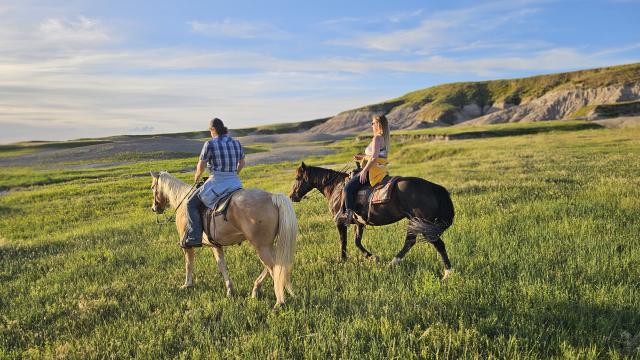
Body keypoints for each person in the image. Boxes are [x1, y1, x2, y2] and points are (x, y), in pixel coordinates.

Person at [180, 118, 245, 248]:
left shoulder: (209, 144)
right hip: (235, 183)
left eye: (210, 130)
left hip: (217, 182)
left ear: (213, 130)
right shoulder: (236, 143)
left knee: (190, 204)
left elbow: (201, 166)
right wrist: (233, 174)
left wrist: (197, 177)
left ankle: (194, 237)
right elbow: (242, 163)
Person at [335, 114, 390, 224]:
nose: (371, 125)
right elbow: (378, 156)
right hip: (380, 171)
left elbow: (374, 158)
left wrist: (364, 171)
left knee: (347, 188)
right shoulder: (383, 138)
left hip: (371, 171)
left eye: (372, 123)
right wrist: (362, 157)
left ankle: (348, 215)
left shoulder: (377, 138)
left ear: (378, 124)